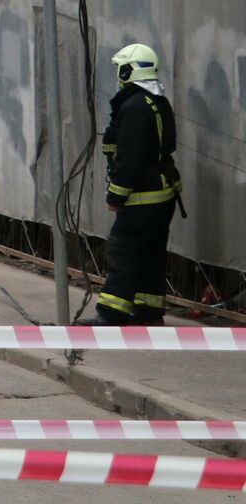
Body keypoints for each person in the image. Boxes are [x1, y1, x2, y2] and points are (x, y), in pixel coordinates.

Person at [95, 44, 181, 326]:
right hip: (164, 192)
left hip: (142, 195)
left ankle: (112, 312)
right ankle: (148, 310)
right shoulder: (157, 100)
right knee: (151, 252)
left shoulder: (133, 106)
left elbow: (129, 159)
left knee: (124, 249)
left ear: (129, 70)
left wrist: (115, 196)